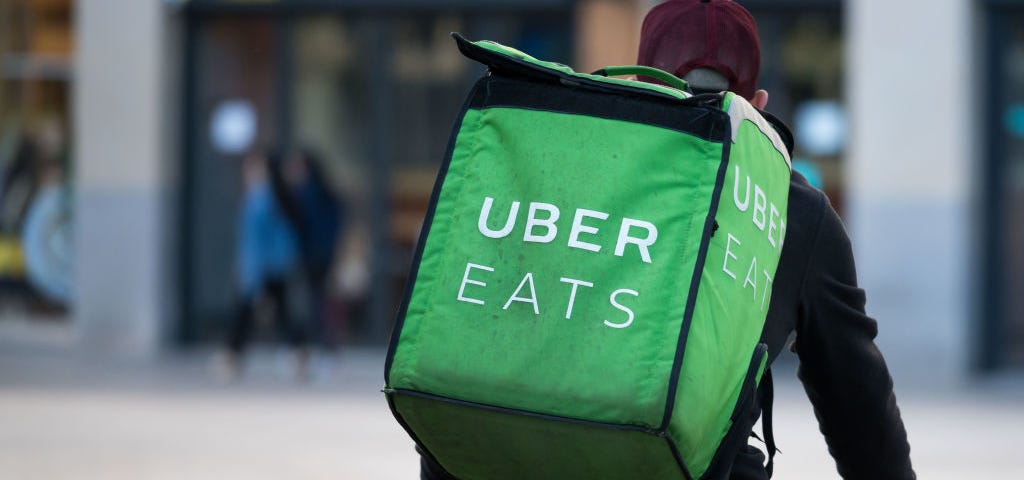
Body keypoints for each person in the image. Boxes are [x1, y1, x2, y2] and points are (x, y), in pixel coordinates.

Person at [636, 1, 915, 478]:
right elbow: (859, 411)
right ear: (759, 105)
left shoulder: (571, 164)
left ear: (636, 82)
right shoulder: (793, 210)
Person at [220, 150, 309, 380]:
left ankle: (232, 356)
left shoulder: (258, 198)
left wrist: (249, 273)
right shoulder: (279, 195)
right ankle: (297, 354)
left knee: (244, 314)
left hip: (260, 268)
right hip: (279, 265)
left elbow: (253, 242)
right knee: (283, 313)